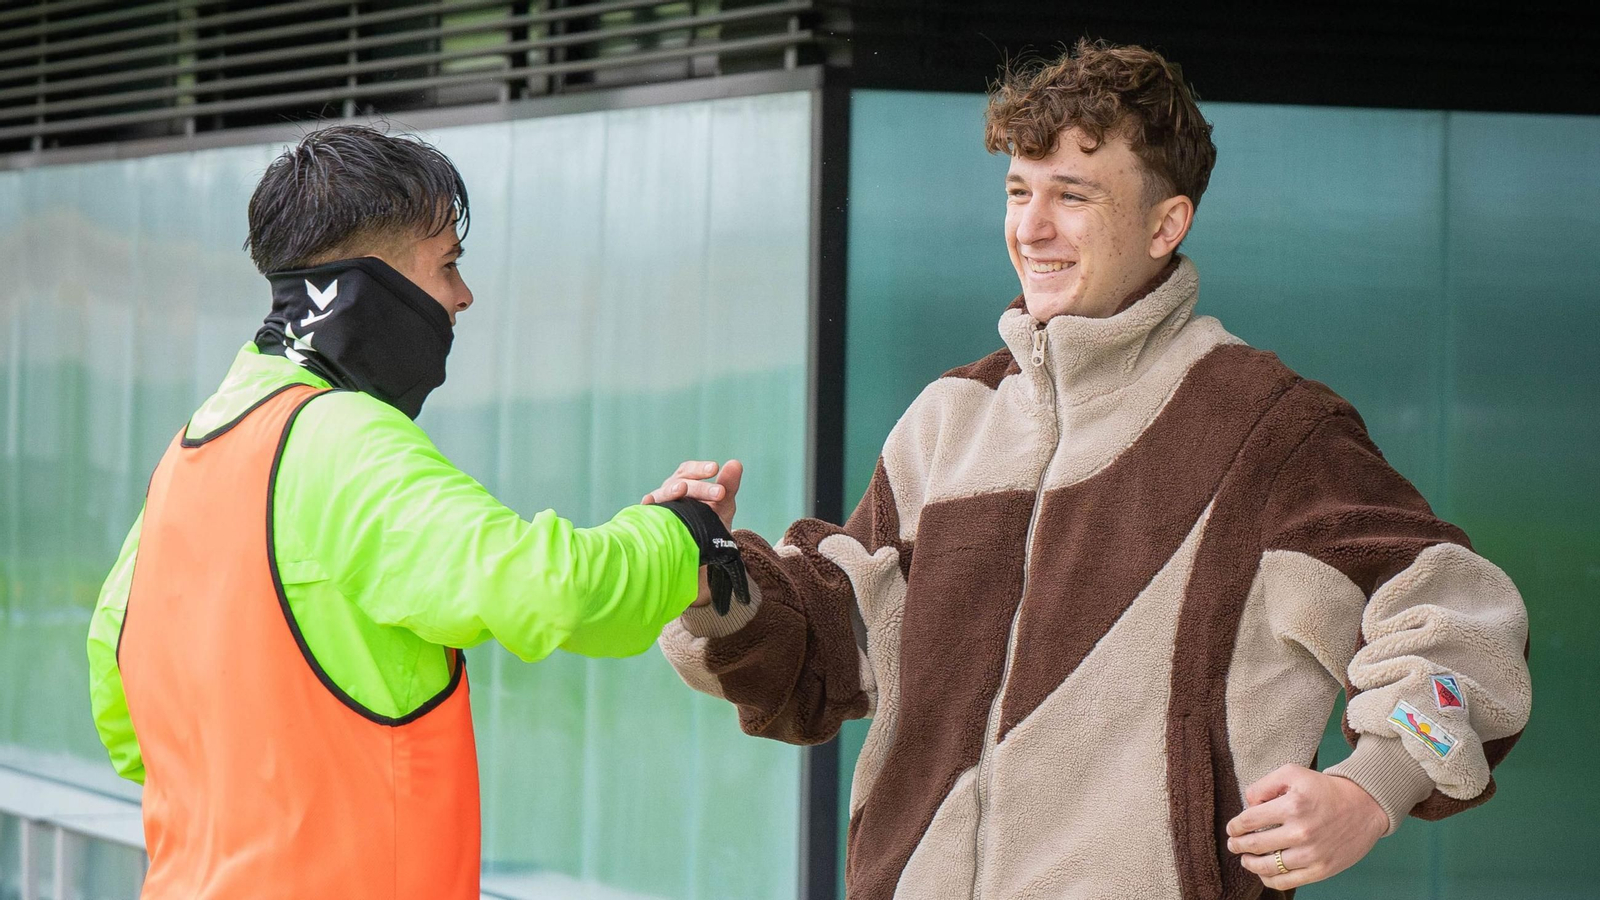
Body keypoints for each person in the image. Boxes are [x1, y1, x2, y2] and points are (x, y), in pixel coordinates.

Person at [652, 40, 1532, 899]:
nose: (1031, 228)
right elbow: (829, 656)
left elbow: (1463, 626)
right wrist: (709, 574)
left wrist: (1370, 788)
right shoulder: (948, 421)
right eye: (1018, 192)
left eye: (1071, 196)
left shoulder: (1270, 432)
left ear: (1166, 223)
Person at [85, 125, 746, 899]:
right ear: (368, 285)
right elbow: (547, 587)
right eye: (449, 265)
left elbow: (122, 712)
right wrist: (682, 537)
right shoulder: (341, 440)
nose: (464, 297)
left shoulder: (188, 456)